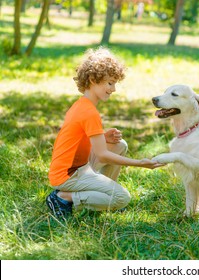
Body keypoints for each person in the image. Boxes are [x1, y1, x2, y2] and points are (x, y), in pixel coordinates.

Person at [46, 47, 164, 218]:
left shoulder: (82, 105)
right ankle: (64, 198)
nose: (114, 88)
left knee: (119, 145)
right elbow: (102, 156)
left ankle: (104, 195)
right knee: (122, 198)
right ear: (93, 79)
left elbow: (78, 138)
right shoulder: (89, 111)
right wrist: (140, 163)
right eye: (110, 83)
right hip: (68, 176)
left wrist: (102, 136)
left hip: (77, 167)